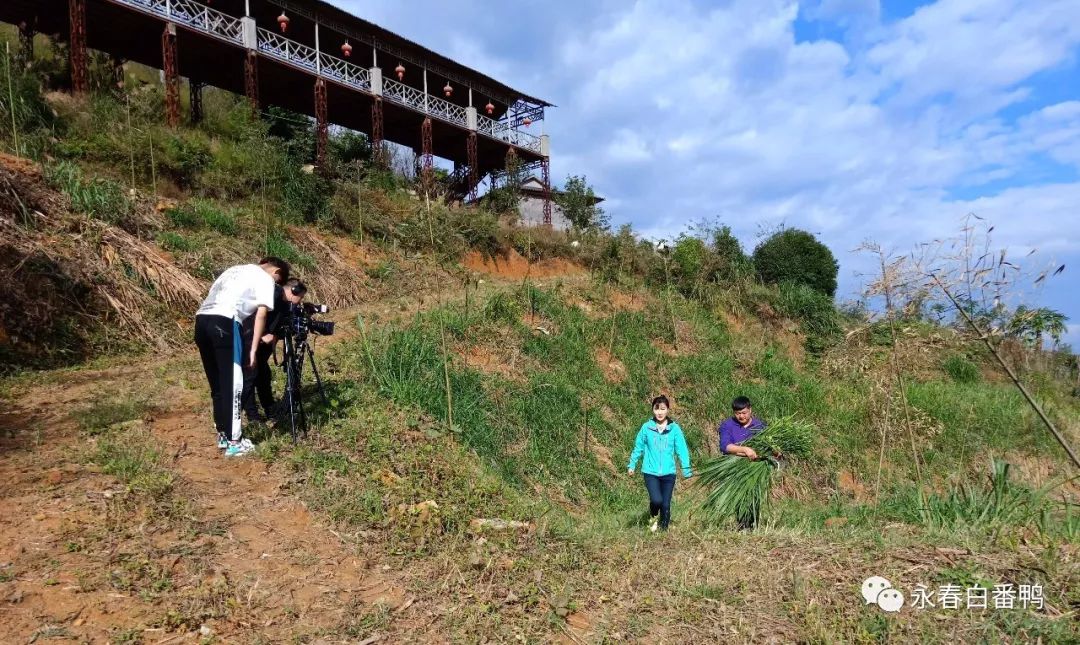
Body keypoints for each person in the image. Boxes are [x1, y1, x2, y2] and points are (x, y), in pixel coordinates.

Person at [194, 257, 290, 457]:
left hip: (202, 320)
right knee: (233, 382)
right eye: (279, 282)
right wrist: (253, 349)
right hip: (226, 322)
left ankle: (223, 433)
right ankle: (234, 442)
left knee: (218, 384)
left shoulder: (233, 270)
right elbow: (261, 315)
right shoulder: (265, 278)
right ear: (277, 273)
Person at [241, 278, 307, 423]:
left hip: (262, 344)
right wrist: (263, 334)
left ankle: (270, 409)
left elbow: (281, 325)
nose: (300, 301)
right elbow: (257, 316)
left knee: (264, 375)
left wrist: (276, 334)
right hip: (250, 339)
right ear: (292, 291)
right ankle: (252, 416)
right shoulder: (273, 294)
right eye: (300, 297)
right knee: (250, 377)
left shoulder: (284, 304)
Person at [627, 395, 693, 532]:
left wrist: (686, 469)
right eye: (656, 409)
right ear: (652, 410)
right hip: (650, 472)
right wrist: (632, 464)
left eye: (663, 409)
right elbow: (638, 447)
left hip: (669, 473)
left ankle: (663, 531)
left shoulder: (674, 429)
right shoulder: (647, 427)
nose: (660, 412)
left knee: (666, 504)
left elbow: (682, 449)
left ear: (668, 409)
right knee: (656, 500)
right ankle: (653, 516)